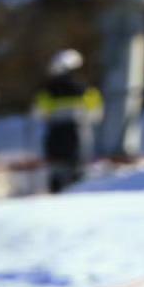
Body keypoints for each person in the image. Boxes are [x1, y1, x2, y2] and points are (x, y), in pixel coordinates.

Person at [33, 49, 103, 194]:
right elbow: (96, 114)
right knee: (79, 170)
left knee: (57, 171)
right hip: (78, 133)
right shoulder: (87, 89)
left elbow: (39, 114)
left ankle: (57, 193)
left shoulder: (47, 91)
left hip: (55, 135)